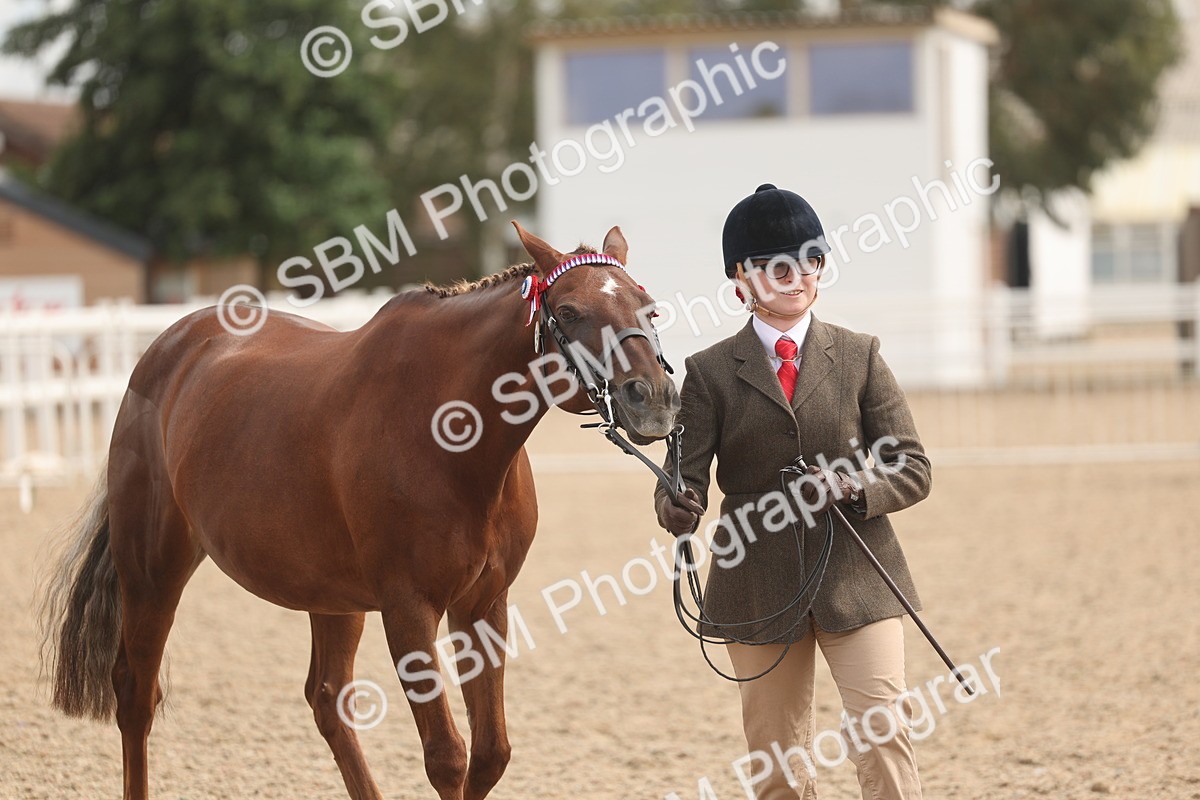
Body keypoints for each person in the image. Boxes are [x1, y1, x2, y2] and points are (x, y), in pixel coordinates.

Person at [653, 184, 932, 800]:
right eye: (777, 265)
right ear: (740, 280)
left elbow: (912, 466)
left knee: (883, 733)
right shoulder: (706, 372)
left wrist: (854, 484)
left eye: (810, 260)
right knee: (777, 756)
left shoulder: (859, 356)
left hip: (859, 574)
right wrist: (678, 505)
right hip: (756, 581)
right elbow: (685, 479)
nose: (797, 275)